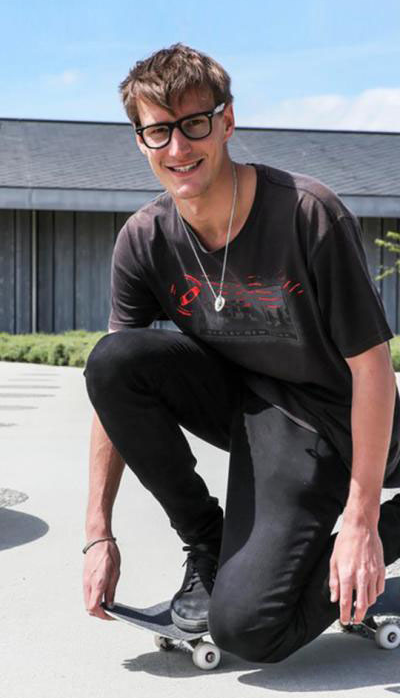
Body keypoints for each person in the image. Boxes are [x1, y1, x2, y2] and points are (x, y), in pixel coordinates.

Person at [82, 43, 400, 664]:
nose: (179, 147)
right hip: (251, 411)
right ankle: (208, 543)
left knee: (251, 630)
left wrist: (362, 520)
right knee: (113, 361)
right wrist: (98, 533)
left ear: (226, 121)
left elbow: (372, 368)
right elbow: (109, 393)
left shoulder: (307, 213)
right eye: (159, 131)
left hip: (332, 421)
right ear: (140, 142)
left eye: (195, 124)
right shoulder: (144, 240)